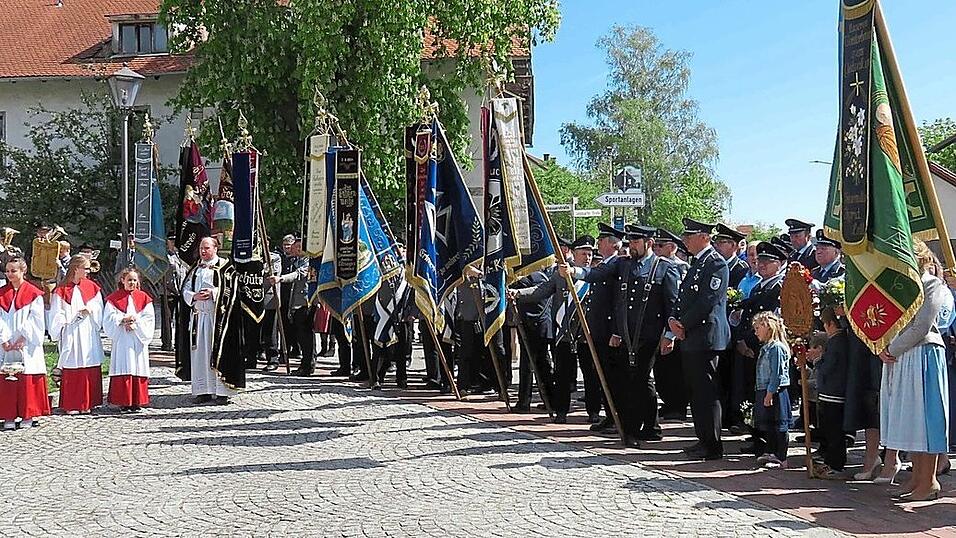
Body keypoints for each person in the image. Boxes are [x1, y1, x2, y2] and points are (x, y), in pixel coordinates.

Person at [878, 241, 952, 502]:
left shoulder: (931, 284)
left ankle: (929, 480)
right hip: (902, 355)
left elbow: (922, 325)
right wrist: (883, 345)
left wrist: (893, 347)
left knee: (925, 418)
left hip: (923, 353)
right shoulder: (901, 286)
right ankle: (917, 477)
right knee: (910, 420)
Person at [515, 235, 602, 424]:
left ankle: (593, 411)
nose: (587, 257)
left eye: (589, 253)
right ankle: (561, 410)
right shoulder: (560, 275)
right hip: (565, 333)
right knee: (562, 374)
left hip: (586, 333)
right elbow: (541, 291)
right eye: (583, 253)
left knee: (591, 375)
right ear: (574, 255)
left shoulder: (595, 275)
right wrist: (518, 294)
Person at [664, 218, 730, 460]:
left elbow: (708, 299)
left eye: (689, 236)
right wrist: (674, 321)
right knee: (695, 392)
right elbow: (683, 297)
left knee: (706, 392)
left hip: (705, 336)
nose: (685, 241)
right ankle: (702, 438)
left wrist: (684, 324)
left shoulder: (715, 263)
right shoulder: (697, 263)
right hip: (691, 335)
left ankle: (712, 444)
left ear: (704, 237)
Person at [730, 241, 786, 437]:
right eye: (759, 260)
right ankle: (755, 433)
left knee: (765, 395)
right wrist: (741, 341)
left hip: (763, 349)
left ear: (779, 263)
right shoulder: (757, 288)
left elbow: (772, 323)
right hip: (748, 347)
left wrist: (751, 343)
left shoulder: (779, 288)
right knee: (749, 392)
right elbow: (746, 319)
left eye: (767, 261)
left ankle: (765, 439)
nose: (761, 264)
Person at [181, 237, 236, 404]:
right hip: (199, 317)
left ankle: (221, 391)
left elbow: (232, 290)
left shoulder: (226, 267)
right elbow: (185, 289)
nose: (203, 251)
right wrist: (193, 296)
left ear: (215, 248)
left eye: (206, 248)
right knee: (200, 355)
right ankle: (203, 390)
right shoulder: (195, 269)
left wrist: (213, 294)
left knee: (217, 353)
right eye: (201, 249)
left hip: (217, 318)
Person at [49, 254, 105, 415]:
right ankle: (73, 403)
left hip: (88, 330)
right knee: (72, 363)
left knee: (89, 362)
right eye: (85, 268)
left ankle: (90, 402)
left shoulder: (92, 287)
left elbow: (99, 307)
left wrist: (91, 310)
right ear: (76, 269)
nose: (88, 271)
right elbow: (55, 314)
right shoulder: (61, 290)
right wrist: (68, 318)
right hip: (71, 331)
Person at [0, 257, 49, 430]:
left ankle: (29, 415)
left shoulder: (33, 293)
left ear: (23, 271)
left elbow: (36, 318)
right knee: (6, 376)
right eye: (7, 271)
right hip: (5, 344)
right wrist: (4, 339)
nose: (9, 274)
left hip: (27, 344)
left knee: (27, 376)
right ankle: (8, 416)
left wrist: (23, 337)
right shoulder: (1, 293)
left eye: (13, 271)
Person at [103, 268, 154, 412]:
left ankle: (136, 401)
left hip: (137, 338)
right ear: (122, 281)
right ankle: (123, 401)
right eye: (129, 280)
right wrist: (122, 320)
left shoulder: (144, 298)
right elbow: (108, 318)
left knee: (137, 366)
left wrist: (135, 324)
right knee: (123, 364)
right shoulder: (114, 299)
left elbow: (149, 318)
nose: (132, 283)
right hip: (123, 338)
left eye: (134, 280)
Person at [813, 307, 850, 479]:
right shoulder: (839, 340)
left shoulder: (837, 342)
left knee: (835, 432)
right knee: (830, 430)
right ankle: (830, 461)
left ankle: (836, 464)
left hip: (833, 392)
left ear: (830, 324)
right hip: (832, 392)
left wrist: (818, 360)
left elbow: (828, 367)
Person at [752, 311, 792, 469]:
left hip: (775, 391)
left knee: (779, 424)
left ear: (768, 327)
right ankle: (771, 451)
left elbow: (777, 373)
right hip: (764, 388)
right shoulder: (766, 347)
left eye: (757, 328)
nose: (755, 332)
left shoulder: (776, 348)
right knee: (768, 423)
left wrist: (770, 392)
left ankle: (781, 456)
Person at [269, 238, 313, 376]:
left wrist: (280, 278)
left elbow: (298, 274)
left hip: (305, 302)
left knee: (306, 336)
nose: (296, 250)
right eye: (296, 247)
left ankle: (308, 365)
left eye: (299, 247)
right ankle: (304, 364)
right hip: (295, 304)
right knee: (300, 335)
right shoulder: (294, 261)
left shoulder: (307, 261)